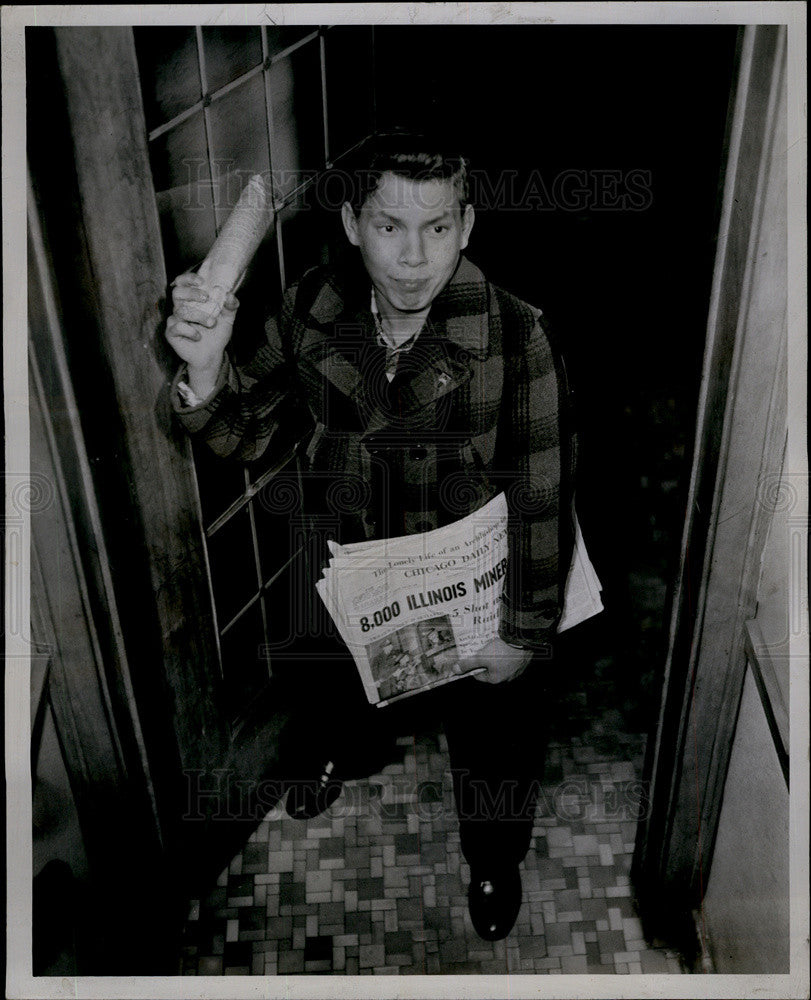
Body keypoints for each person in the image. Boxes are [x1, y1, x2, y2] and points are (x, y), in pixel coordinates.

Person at [166, 132, 577, 941]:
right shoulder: (313, 307)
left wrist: (522, 633)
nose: (414, 257)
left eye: (436, 227)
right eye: (390, 226)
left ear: (467, 226)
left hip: (472, 587)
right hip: (353, 564)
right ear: (352, 223)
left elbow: (541, 492)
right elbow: (247, 438)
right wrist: (209, 371)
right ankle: (336, 758)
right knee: (338, 688)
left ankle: (493, 857)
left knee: (495, 737)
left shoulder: (517, 335)